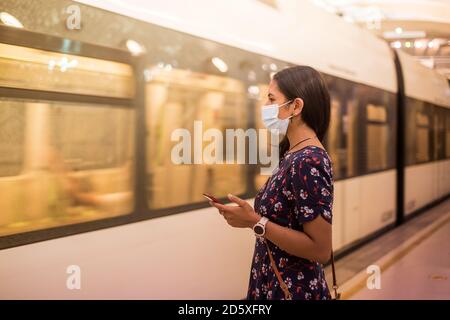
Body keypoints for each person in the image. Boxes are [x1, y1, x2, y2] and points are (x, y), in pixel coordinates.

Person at [209, 65, 333, 300]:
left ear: (295, 106)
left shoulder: (309, 160)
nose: (265, 106)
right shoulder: (293, 154)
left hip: (292, 290)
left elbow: (320, 249)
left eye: (271, 98)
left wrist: (255, 222)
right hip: (275, 284)